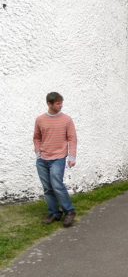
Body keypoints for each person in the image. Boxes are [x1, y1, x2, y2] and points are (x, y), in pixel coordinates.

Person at [33, 92, 78, 227]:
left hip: (58, 158)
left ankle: (69, 211)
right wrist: (38, 152)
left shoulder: (67, 120)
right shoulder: (40, 119)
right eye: (58, 103)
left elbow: (72, 138)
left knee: (57, 185)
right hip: (42, 159)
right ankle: (54, 213)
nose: (61, 105)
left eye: (61, 103)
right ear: (49, 104)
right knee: (47, 188)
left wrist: (72, 156)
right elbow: (36, 137)